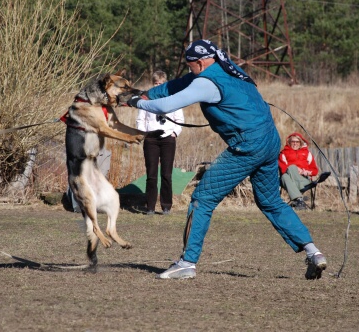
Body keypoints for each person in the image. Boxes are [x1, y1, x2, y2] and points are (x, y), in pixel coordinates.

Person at [127, 39, 327, 280]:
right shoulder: (227, 67)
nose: (189, 70)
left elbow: (168, 105)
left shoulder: (205, 82)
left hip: (248, 144)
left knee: (202, 198)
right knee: (271, 201)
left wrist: (135, 102)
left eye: (190, 66)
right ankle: (313, 252)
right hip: (270, 140)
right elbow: (177, 85)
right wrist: (145, 93)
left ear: (200, 63)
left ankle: (187, 262)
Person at [136, 70, 184, 215]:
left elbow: (179, 120)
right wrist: (145, 134)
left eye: (161, 83)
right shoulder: (146, 99)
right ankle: (150, 206)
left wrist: (175, 133)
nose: (158, 85)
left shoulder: (173, 98)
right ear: (153, 84)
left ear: (165, 84)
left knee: (166, 174)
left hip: (168, 139)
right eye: (156, 83)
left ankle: (166, 206)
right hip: (151, 139)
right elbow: (140, 120)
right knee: (151, 174)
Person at [278, 132, 319, 210]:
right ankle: (299, 199)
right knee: (286, 175)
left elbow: (315, 171)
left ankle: (296, 198)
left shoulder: (307, 153)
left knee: (286, 175)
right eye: (293, 141)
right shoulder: (283, 153)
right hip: (288, 180)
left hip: (304, 180)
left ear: (300, 143)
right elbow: (283, 170)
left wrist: (305, 172)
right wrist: (295, 170)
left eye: (297, 142)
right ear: (289, 142)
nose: (295, 144)